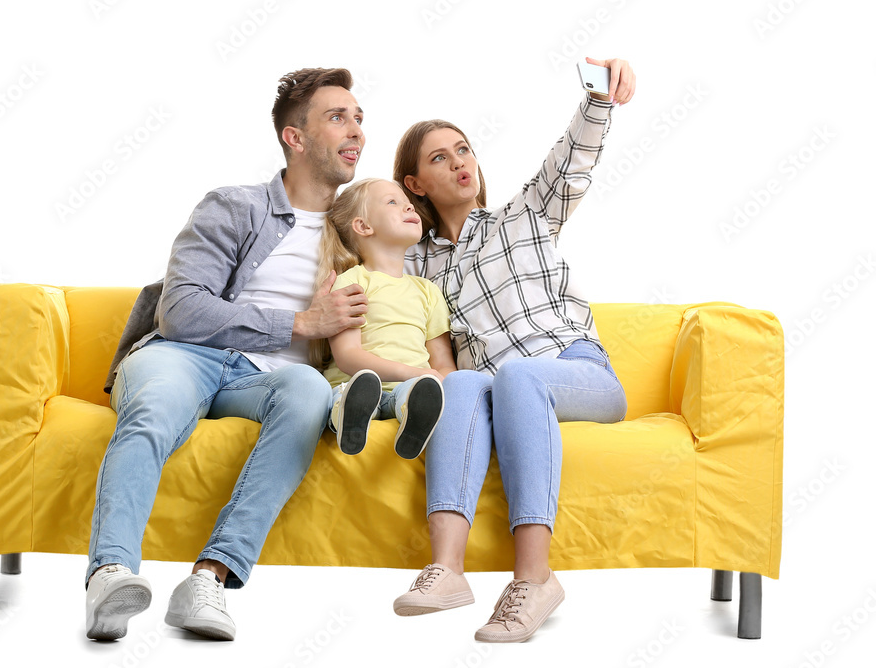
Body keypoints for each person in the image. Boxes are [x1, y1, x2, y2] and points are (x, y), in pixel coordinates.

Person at [85, 67, 370, 642]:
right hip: (185, 354)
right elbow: (183, 311)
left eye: (360, 118)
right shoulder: (234, 206)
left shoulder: (358, 229)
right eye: (338, 116)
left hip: (268, 380)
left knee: (311, 390)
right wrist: (298, 323)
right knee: (157, 405)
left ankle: (209, 579)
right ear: (295, 137)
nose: (357, 130)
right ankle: (110, 575)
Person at [390, 57, 637, 643]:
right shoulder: (416, 266)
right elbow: (360, 247)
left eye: (465, 149)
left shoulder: (522, 218)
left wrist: (599, 98)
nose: (460, 162)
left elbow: (571, 162)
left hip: (578, 372)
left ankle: (534, 579)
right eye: (439, 157)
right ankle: (448, 569)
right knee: (465, 382)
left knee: (517, 375)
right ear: (414, 185)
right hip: (502, 394)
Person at [310, 178, 457, 459]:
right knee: (354, 391)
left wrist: (437, 382)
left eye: (409, 204)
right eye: (393, 202)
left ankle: (415, 424)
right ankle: (349, 418)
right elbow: (348, 357)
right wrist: (415, 373)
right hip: (355, 381)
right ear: (364, 226)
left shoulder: (428, 291)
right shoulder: (351, 282)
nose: (409, 207)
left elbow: (441, 363)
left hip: (408, 386)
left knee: (415, 394)